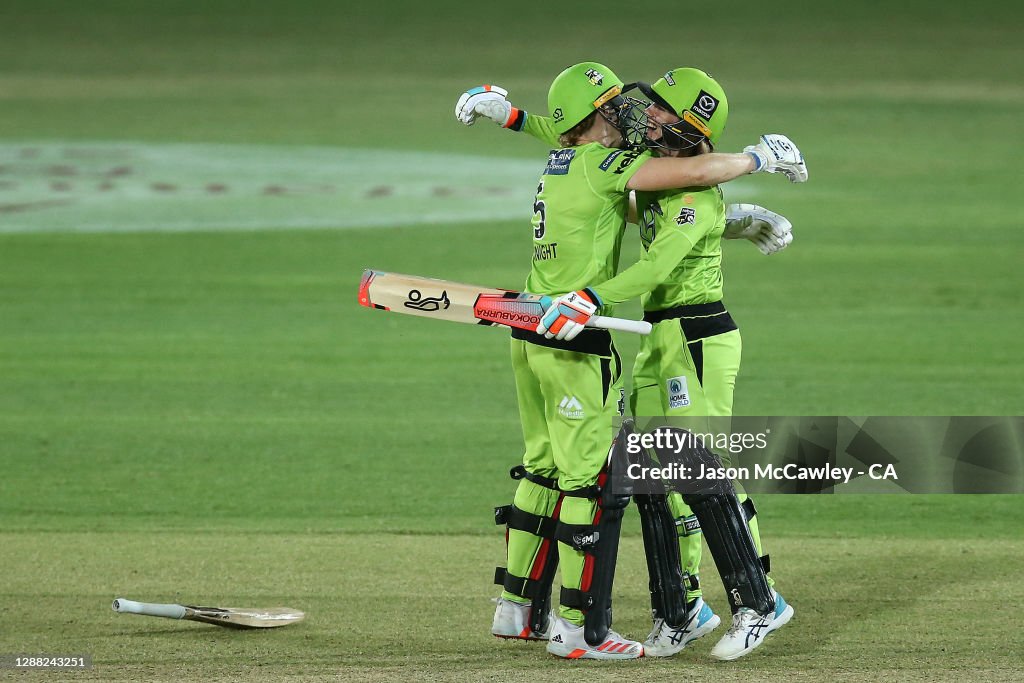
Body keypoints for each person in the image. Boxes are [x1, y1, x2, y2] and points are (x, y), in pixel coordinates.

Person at [455, 62, 806, 660]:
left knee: (699, 473)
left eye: (660, 109)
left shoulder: (674, 178)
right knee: (648, 475)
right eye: (635, 105)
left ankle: (759, 600)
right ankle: (681, 607)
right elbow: (587, 141)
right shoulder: (636, 170)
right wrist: (740, 215)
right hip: (655, 334)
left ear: (688, 125)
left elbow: (668, 244)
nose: (644, 114)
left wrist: (752, 169)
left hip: (694, 334)